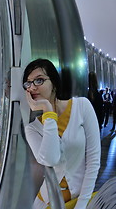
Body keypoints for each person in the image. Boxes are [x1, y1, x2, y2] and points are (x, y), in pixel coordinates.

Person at [22, 59, 101, 209]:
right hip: (46, 202)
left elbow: (93, 161)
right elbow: (51, 159)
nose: (32, 87)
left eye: (39, 80)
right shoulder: (32, 129)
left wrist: (82, 205)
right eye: (28, 83)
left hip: (78, 201)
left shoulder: (82, 106)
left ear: (54, 84)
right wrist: (48, 111)